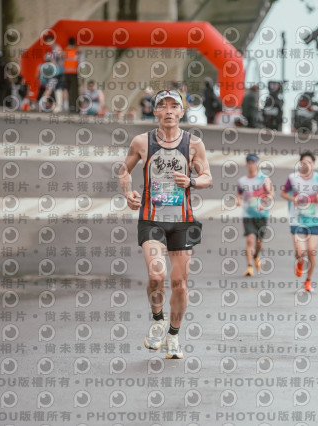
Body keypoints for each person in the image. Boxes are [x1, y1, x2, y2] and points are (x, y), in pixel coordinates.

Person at [119, 89, 212, 359]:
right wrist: (128, 193)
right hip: (152, 219)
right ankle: (158, 319)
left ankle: (173, 335)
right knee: (156, 276)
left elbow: (207, 176)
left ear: (182, 112)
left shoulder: (194, 144)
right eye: (163, 106)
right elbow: (124, 171)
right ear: (155, 111)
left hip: (182, 221)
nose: (169, 110)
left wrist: (191, 181)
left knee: (180, 283)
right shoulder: (141, 142)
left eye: (174, 106)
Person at [281, 152, 318, 291]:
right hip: (297, 219)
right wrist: (293, 199)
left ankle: (308, 281)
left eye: (310, 163)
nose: (307, 165)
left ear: (314, 164)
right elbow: (283, 193)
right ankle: (300, 261)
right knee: (300, 252)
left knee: (311, 251)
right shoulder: (292, 178)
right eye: (304, 162)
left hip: (314, 220)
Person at [236, 154, 274, 277]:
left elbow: (271, 194)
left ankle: (256, 256)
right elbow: (239, 193)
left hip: (261, 215)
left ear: (257, 163)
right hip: (248, 215)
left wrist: (264, 202)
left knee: (259, 242)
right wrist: (238, 200)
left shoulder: (264, 179)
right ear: (246, 164)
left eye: (253, 162)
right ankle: (249, 267)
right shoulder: (242, 181)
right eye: (249, 162)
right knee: (250, 239)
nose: (251, 164)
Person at [63, 37, 80, 113]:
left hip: (66, 73)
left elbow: (62, 62)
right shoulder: (77, 51)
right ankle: (74, 107)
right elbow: (81, 62)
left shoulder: (65, 51)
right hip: (74, 73)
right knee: (74, 91)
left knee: (66, 90)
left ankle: (67, 106)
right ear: (74, 43)